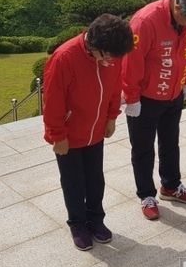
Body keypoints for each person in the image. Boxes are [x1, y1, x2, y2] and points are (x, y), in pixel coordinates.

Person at [43, 14, 134, 251]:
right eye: (107, 55)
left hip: (95, 132)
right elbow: (53, 101)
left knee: (95, 180)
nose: (111, 61)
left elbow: (115, 87)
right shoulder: (64, 57)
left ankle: (96, 220)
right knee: (74, 183)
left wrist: (112, 117)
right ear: (94, 44)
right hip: (69, 136)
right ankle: (78, 224)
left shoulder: (110, 55)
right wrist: (57, 135)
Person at [122, 0, 186, 220]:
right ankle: (146, 195)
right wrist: (132, 98)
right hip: (145, 98)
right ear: (178, 7)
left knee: (170, 143)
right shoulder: (145, 21)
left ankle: (171, 186)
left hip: (173, 93)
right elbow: (130, 62)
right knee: (143, 149)